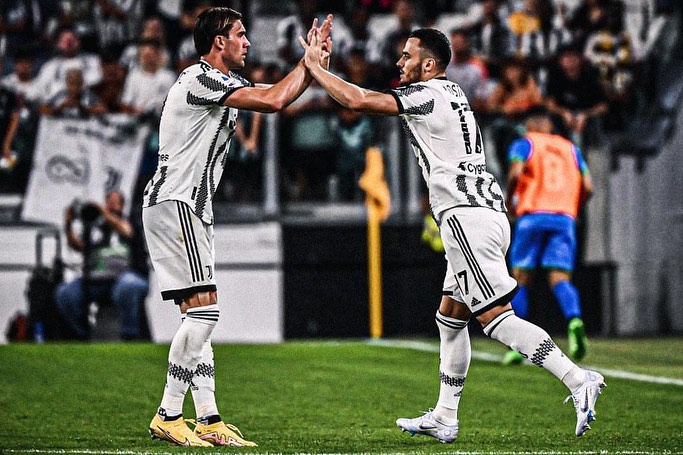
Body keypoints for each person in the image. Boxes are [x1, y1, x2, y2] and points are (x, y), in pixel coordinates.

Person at [299, 26, 605, 443]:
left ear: (428, 64)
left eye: (406, 56)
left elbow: (358, 100)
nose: (398, 62)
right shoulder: (453, 92)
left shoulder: (427, 94)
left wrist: (315, 68)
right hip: (482, 213)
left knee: (496, 320)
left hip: (466, 219)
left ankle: (577, 379)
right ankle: (445, 416)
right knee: (450, 318)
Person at [141, 7, 332, 447]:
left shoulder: (221, 82)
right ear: (218, 42)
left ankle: (208, 419)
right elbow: (274, 99)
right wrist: (307, 64)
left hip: (186, 206)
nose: (247, 43)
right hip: (178, 202)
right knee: (205, 314)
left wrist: (313, 66)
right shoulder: (200, 78)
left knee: (198, 316)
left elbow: (280, 96)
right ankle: (168, 413)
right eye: (240, 35)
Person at [503, 112, 593, 365]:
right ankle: (574, 320)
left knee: (520, 279)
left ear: (531, 125)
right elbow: (588, 186)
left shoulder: (525, 143)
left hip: (532, 216)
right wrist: (574, 208)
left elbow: (515, 173)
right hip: (564, 217)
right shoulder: (571, 149)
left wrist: (510, 201)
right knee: (560, 278)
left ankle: (518, 346)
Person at [55, 190, 149, 340]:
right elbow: (78, 246)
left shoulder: (129, 221)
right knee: (65, 293)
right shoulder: (94, 226)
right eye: (108, 202)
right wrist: (68, 224)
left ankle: (129, 336)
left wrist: (102, 212)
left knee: (128, 286)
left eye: (114, 203)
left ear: (122, 205)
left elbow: (126, 231)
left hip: (124, 278)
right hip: (93, 282)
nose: (110, 206)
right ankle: (80, 336)